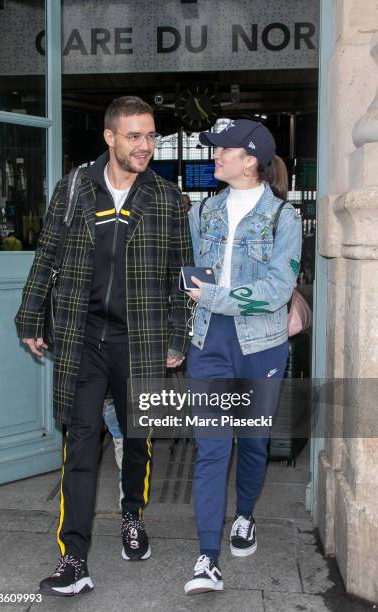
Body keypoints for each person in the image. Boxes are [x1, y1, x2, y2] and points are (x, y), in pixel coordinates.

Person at [15, 96, 193, 597]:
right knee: (80, 443)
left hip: (141, 339)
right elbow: (46, 255)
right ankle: (74, 556)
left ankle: (132, 518)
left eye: (151, 135)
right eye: (134, 136)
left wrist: (177, 337)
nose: (145, 145)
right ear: (110, 138)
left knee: (138, 439)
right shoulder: (73, 188)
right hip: (81, 337)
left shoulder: (165, 196)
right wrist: (30, 315)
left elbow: (182, 276)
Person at [183, 119, 302, 595]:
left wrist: (214, 296)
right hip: (209, 342)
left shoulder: (283, 219)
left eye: (223, 149)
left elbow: (277, 291)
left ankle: (245, 517)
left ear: (250, 159)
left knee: (253, 441)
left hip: (262, 344)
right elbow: (192, 273)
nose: (215, 156)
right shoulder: (205, 211)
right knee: (211, 448)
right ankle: (206, 556)